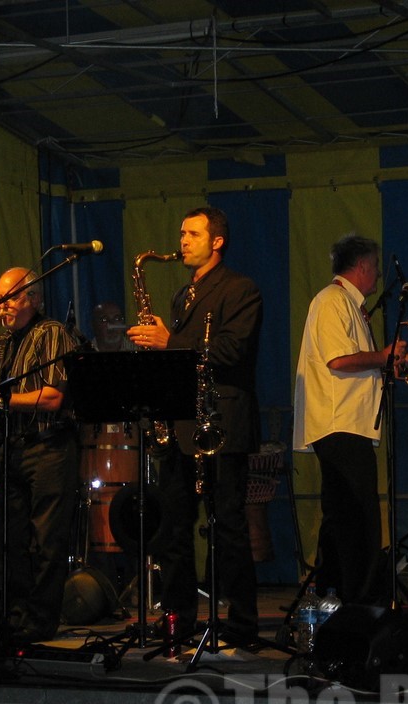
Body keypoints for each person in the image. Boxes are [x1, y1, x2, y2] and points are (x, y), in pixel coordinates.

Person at [127, 206, 262, 642]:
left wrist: (171, 341)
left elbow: (230, 352)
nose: (182, 240)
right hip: (182, 423)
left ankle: (241, 622)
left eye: (192, 233)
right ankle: (178, 618)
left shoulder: (241, 289)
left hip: (221, 421)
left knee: (228, 524)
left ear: (216, 241)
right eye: (181, 233)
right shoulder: (183, 295)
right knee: (173, 528)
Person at [293, 235, 408, 605]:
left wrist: (407, 362)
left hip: (349, 423)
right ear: (361, 267)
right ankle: (361, 600)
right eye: (375, 267)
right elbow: (339, 361)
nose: (377, 275)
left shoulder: (348, 304)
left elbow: (364, 363)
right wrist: (384, 355)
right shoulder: (331, 301)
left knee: (342, 516)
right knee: (359, 517)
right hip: (338, 422)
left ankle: (334, 594)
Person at [0, 268, 79, 643]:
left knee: (46, 541)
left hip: (48, 446)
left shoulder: (52, 333)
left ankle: (40, 621)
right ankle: (14, 617)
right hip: (9, 450)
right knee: (8, 540)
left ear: (32, 299)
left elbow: (53, 397)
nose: (2, 308)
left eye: (10, 299)